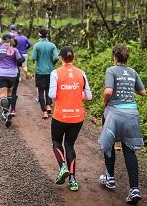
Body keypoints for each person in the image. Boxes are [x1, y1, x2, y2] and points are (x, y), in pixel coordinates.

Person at [98, 44, 146, 205]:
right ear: (127, 58)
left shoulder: (111, 70)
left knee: (108, 144)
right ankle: (134, 189)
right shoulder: (133, 72)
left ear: (114, 57)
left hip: (114, 113)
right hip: (131, 114)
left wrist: (105, 102)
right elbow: (142, 92)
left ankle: (110, 178)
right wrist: (128, 89)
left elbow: (108, 91)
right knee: (129, 149)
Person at [49, 46, 92, 191]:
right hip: (77, 117)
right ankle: (73, 180)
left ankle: (62, 167)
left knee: (56, 142)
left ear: (61, 58)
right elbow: (89, 96)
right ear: (73, 57)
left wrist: (64, 91)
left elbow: (52, 95)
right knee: (70, 145)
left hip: (60, 115)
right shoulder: (82, 73)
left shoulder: (55, 73)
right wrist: (75, 93)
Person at [0, 33, 24, 127]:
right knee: (9, 94)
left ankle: (5, 113)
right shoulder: (15, 50)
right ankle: (6, 113)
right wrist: (14, 61)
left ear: (3, 40)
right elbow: (21, 60)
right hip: (12, 74)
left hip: (1, 74)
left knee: (3, 95)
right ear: (10, 40)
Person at [31, 28, 59, 119]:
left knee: (40, 91)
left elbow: (33, 58)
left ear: (39, 35)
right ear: (47, 35)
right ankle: (48, 106)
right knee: (48, 89)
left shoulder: (37, 45)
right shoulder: (52, 45)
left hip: (40, 71)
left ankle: (44, 112)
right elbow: (56, 57)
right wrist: (52, 64)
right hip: (50, 71)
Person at [9, 38, 24, 116]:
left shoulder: (4, 50)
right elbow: (22, 59)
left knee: (6, 91)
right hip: (15, 72)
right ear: (17, 45)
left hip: (3, 73)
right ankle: (13, 109)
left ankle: (5, 109)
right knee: (13, 91)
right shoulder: (16, 50)